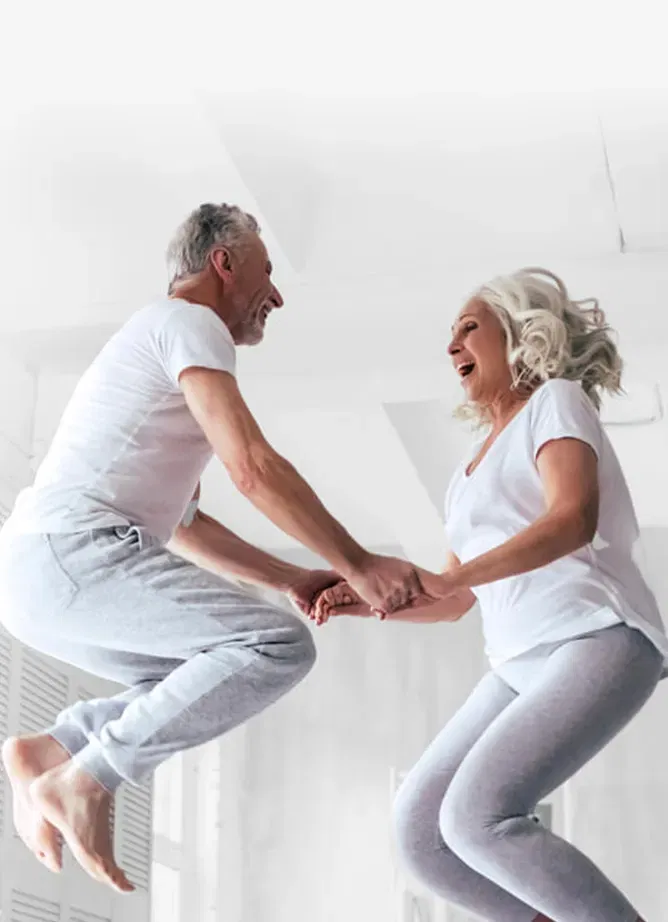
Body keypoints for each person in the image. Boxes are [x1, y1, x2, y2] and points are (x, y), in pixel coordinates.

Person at [0, 203, 428, 892]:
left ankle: (55, 749)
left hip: (37, 572)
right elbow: (252, 467)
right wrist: (360, 564)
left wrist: (290, 577)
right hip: (71, 553)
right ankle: (88, 778)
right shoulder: (189, 323)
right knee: (277, 647)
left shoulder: (161, 345)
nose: (277, 295)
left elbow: (189, 526)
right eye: (267, 271)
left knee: (189, 676)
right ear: (223, 263)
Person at [309, 268, 667, 922]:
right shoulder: (465, 475)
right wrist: (363, 597)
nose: (451, 347)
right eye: (451, 336)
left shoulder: (556, 401)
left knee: (475, 816)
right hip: (516, 663)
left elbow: (571, 518)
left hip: (596, 637)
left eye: (468, 328)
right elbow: (451, 600)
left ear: (521, 334)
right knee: (420, 833)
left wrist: (452, 578)